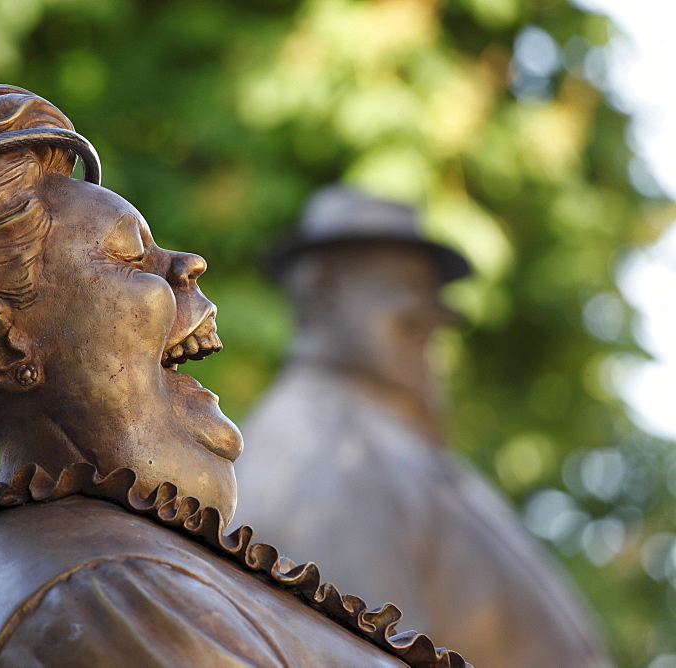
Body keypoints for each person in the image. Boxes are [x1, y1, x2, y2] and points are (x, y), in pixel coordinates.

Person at [0, 87, 463, 666]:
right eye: (132, 258)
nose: (190, 264)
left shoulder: (104, 565)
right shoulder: (99, 594)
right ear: (1, 344)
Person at [234, 185, 611, 667]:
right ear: (325, 290)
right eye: (403, 287)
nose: (431, 305)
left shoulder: (389, 440)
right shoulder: (329, 446)